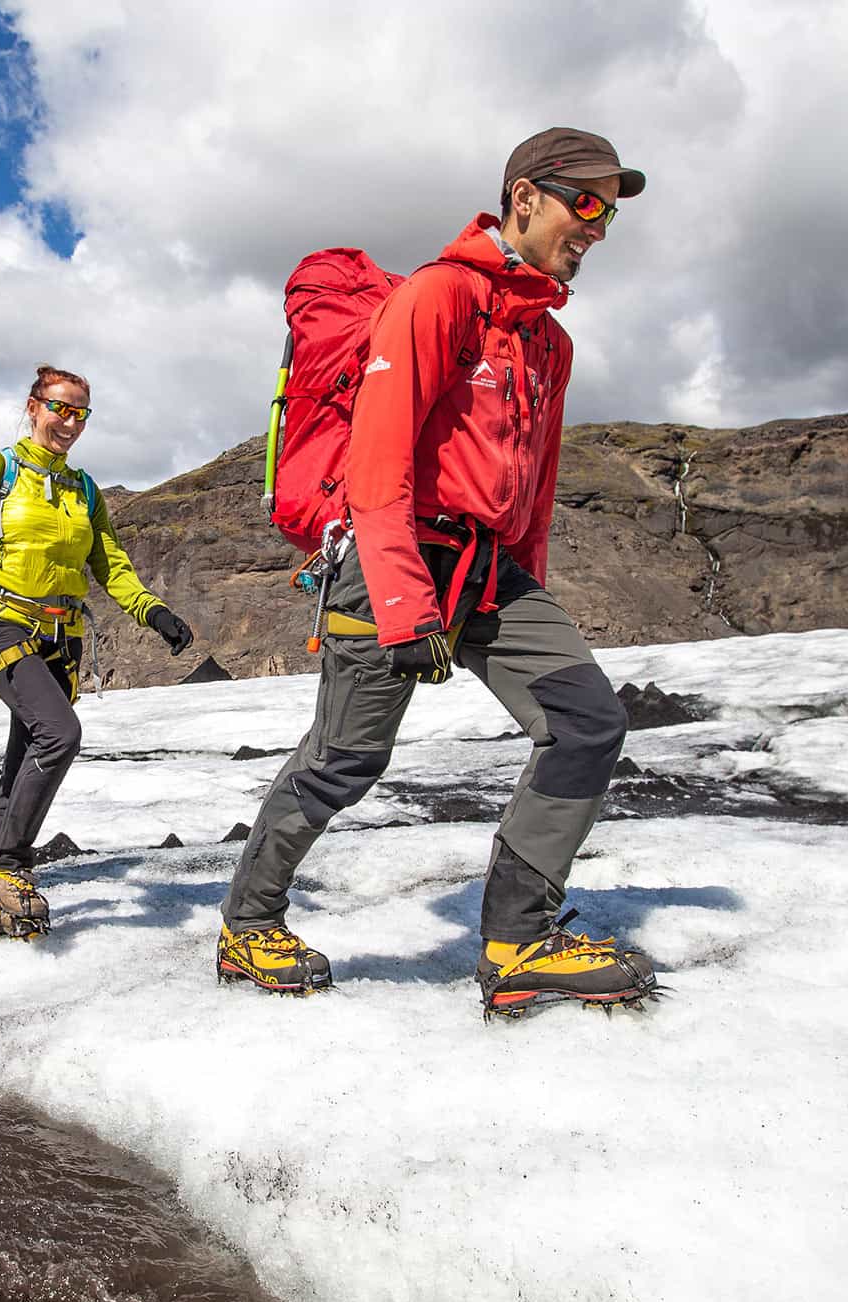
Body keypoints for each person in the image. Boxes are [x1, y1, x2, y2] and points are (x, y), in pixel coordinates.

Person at [216, 128, 659, 1015]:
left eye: (609, 211)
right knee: (347, 758)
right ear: (524, 197)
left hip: (489, 572)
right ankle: (247, 921)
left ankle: (518, 939)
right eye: (587, 203)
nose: (599, 227)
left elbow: (534, 483)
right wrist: (406, 605)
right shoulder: (439, 296)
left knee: (585, 723)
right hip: (392, 561)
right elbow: (378, 460)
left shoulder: (548, 343)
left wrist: (526, 592)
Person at [0, 365, 195, 940]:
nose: (70, 422)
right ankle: (11, 865)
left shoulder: (85, 489)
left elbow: (111, 565)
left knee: (21, 762)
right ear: (33, 407)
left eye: (81, 413)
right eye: (60, 408)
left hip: (62, 637)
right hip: (0, 624)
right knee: (60, 735)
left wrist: (152, 611)